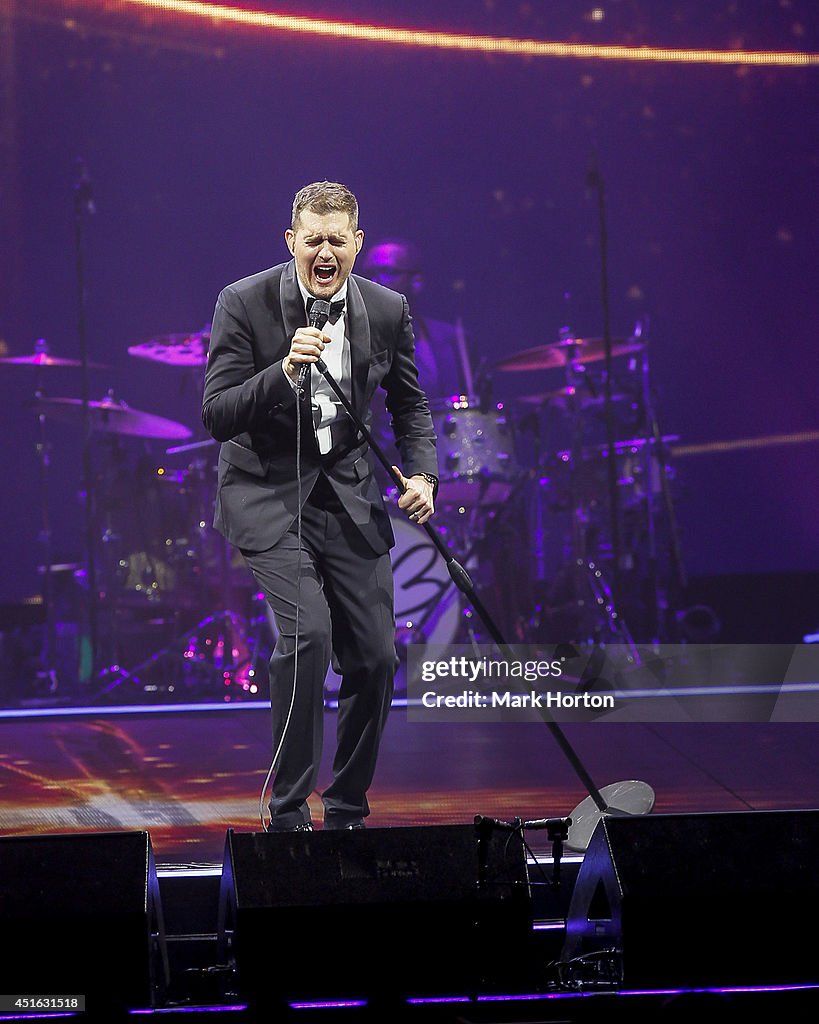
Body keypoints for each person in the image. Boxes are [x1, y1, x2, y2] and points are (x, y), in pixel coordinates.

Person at [202, 181, 438, 832]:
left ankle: (346, 813)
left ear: (357, 244)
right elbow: (216, 413)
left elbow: (409, 404)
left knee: (376, 656)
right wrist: (279, 373)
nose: (326, 252)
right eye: (314, 241)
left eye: (338, 240)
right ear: (291, 243)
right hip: (267, 493)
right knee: (307, 638)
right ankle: (286, 817)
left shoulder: (387, 310)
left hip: (349, 495)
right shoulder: (243, 303)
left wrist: (421, 474)